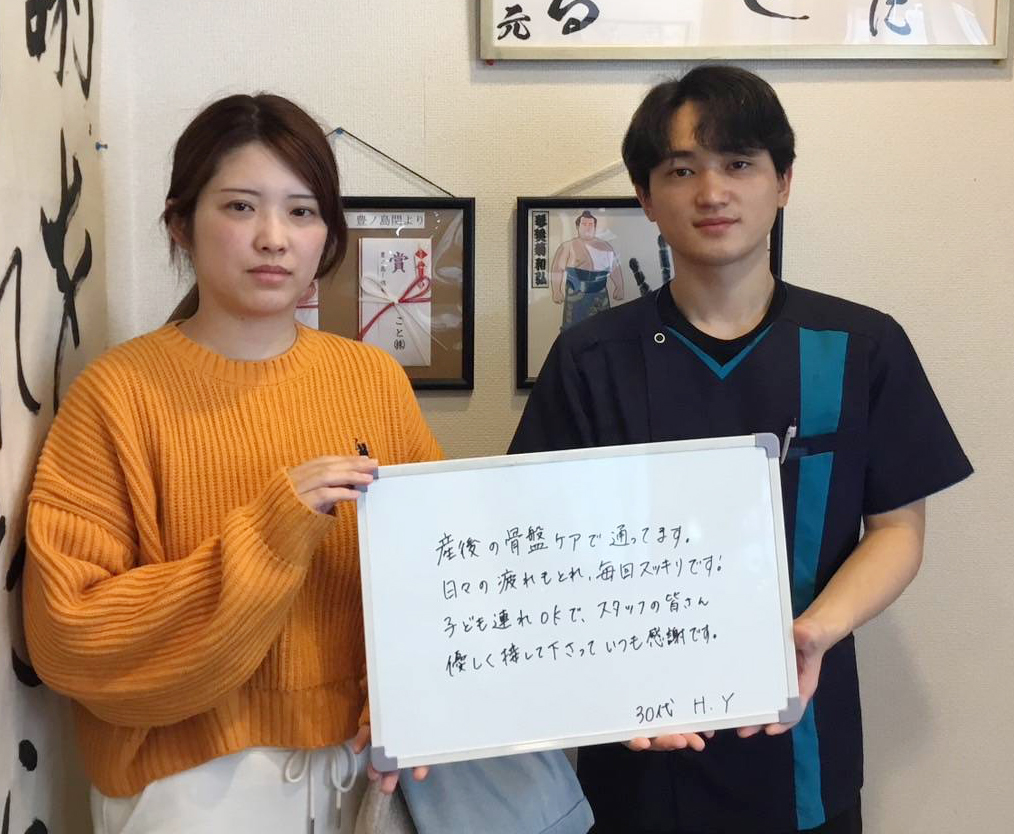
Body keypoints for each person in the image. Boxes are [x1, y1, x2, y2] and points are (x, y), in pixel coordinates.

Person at [509, 65, 972, 834]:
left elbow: (897, 530)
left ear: (783, 181)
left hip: (806, 741)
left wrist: (814, 632)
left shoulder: (861, 345)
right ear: (645, 196)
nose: (712, 191)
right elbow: (541, 545)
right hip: (637, 742)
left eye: (738, 163)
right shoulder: (592, 359)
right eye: (681, 170)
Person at [23, 93, 440, 833]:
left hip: (368, 776)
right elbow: (70, 636)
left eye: (302, 211)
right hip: (189, 786)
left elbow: (437, 570)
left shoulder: (373, 380)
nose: (274, 238)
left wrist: (409, 692)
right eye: (241, 207)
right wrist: (271, 535)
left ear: (327, 233)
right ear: (181, 224)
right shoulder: (117, 394)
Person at [550, 210, 624, 329]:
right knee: (573, 330)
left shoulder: (605, 247)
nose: (588, 227)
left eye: (591, 224)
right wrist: (556, 291)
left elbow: (614, 269)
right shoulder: (568, 246)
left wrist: (619, 287)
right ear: (577, 227)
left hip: (599, 294)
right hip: (575, 294)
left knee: (602, 329)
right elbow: (557, 269)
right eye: (584, 224)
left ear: (595, 227)